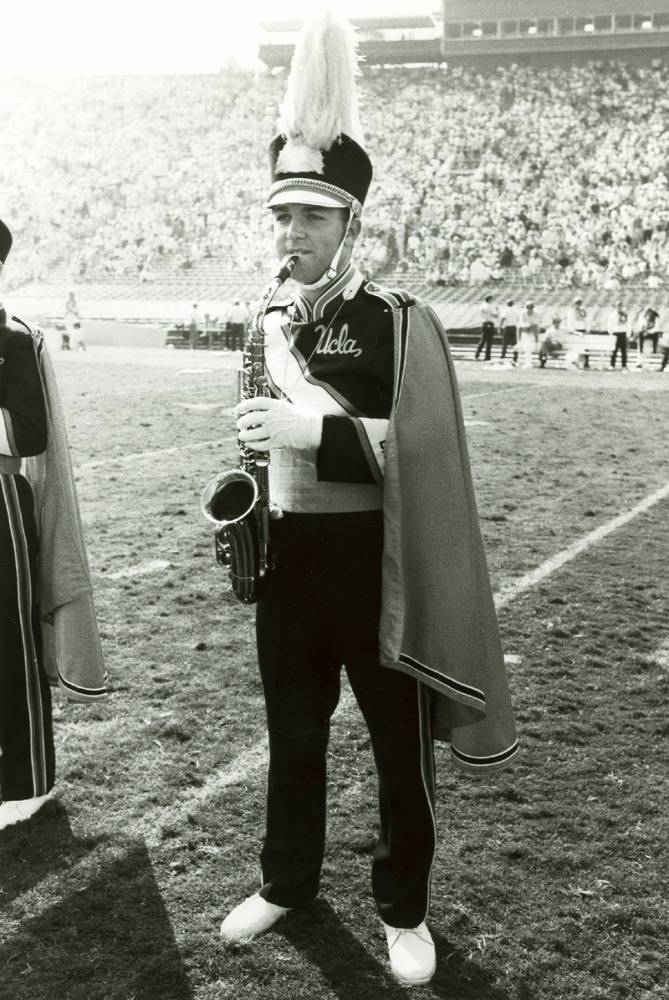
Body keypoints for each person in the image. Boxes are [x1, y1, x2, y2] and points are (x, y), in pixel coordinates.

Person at [215, 13, 518, 988]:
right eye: (281, 215)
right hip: (291, 557)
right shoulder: (263, 319)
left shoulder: (393, 321)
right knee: (292, 736)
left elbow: (414, 456)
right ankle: (287, 879)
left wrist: (308, 431)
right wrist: (252, 482)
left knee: (397, 750)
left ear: (352, 223)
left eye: (310, 216)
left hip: (373, 563)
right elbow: (260, 433)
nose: (290, 232)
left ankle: (405, 908)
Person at [0, 219, 106, 832]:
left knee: (10, 645)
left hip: (0, 500)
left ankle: (31, 779)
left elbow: (31, 433)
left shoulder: (14, 338)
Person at [607, 300, 631, 371]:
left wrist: (628, 334)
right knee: (614, 351)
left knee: (624, 351)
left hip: (623, 333)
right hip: (615, 333)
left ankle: (624, 365)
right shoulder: (612, 314)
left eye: (620, 305)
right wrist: (610, 333)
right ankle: (612, 365)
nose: (619, 307)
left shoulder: (625, 314)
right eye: (618, 305)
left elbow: (628, 324)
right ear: (616, 306)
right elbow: (609, 324)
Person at [474, 293, 498, 362]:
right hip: (489, 323)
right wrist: (497, 309)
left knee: (483, 340)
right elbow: (495, 315)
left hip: (484, 323)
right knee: (489, 341)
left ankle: (477, 355)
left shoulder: (481, 306)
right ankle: (487, 356)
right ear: (489, 300)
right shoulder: (490, 306)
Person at [517, 300, 540, 368]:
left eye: (531, 307)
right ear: (526, 307)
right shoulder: (522, 313)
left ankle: (529, 362)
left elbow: (535, 323)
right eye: (528, 307)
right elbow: (521, 322)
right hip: (524, 330)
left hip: (532, 331)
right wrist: (525, 326)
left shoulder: (536, 313)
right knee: (524, 348)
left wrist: (529, 326)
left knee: (528, 349)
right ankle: (518, 342)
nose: (529, 309)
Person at [499, 298, 519, 364]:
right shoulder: (516, 310)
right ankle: (515, 356)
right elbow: (518, 319)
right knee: (514, 343)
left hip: (507, 327)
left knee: (505, 343)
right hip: (514, 327)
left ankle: (503, 356)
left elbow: (503, 319)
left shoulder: (505, 310)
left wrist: (500, 327)